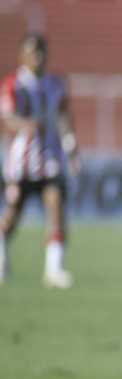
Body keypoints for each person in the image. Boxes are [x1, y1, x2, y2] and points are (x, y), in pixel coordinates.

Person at [0, 33, 78, 289]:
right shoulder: (14, 85)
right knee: (11, 217)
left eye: (41, 51)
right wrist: (26, 124)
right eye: (33, 51)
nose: (38, 56)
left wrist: (71, 146)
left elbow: (64, 116)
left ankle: (53, 270)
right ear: (22, 55)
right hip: (21, 164)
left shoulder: (56, 84)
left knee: (55, 206)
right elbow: (7, 119)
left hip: (50, 161)